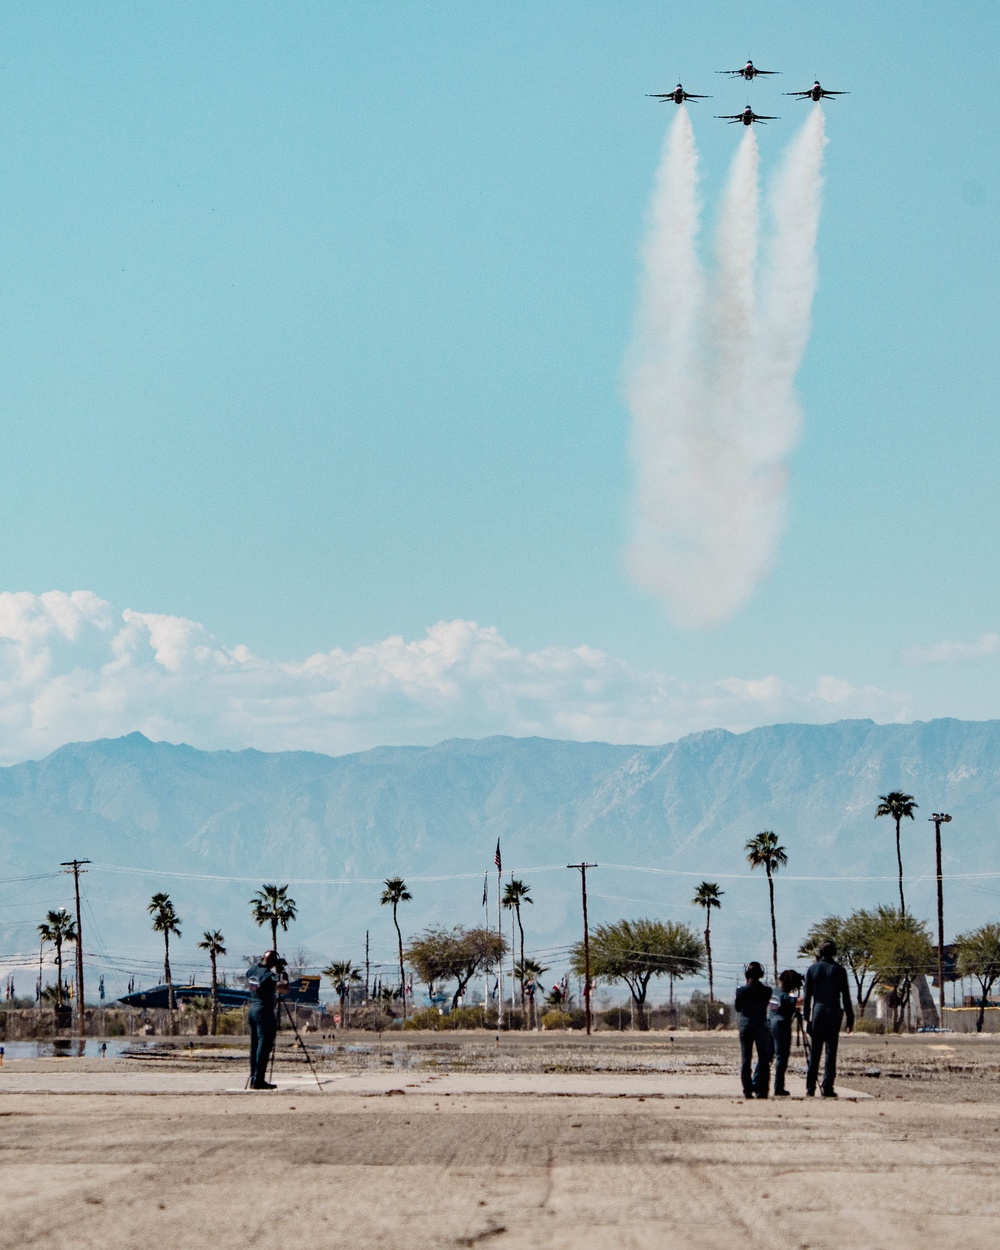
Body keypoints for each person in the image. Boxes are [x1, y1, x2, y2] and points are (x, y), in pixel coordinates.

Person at [803, 939, 854, 1097]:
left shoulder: (812, 970)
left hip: (818, 1011)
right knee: (830, 1052)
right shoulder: (839, 970)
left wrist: (806, 1017)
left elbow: (807, 997)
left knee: (815, 1051)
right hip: (833, 1012)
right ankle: (827, 1086)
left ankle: (810, 1087)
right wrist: (850, 1018)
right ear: (834, 953)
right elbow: (846, 996)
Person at [246, 950, 288, 1090]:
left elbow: (251, 977)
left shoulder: (252, 970)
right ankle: (259, 1080)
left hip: (252, 1007)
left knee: (254, 1046)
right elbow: (284, 988)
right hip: (263, 1010)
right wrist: (283, 975)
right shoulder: (268, 975)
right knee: (263, 1046)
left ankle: (253, 1078)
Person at [735, 962, 772, 1098]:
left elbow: (738, 1008)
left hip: (746, 1025)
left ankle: (747, 1089)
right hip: (761, 1025)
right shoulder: (767, 990)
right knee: (763, 1058)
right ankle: (762, 1089)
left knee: (746, 1058)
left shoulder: (741, 991)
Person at [769, 969, 803, 1097]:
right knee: (781, 1057)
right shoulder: (786, 996)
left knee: (768, 1056)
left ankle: (759, 1083)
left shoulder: (775, 992)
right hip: (782, 1025)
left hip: (771, 1023)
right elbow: (799, 1002)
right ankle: (779, 1087)